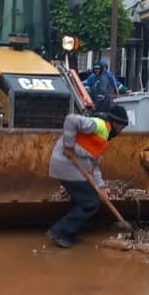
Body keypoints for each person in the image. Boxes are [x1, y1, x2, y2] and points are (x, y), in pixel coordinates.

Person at [46, 105, 129, 248]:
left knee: (91, 199)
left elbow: (94, 165)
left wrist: (101, 187)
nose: (121, 131)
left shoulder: (105, 137)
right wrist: (69, 146)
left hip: (73, 169)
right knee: (90, 202)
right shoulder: (98, 125)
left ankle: (70, 233)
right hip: (66, 165)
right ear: (116, 124)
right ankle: (60, 232)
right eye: (122, 127)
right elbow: (71, 120)